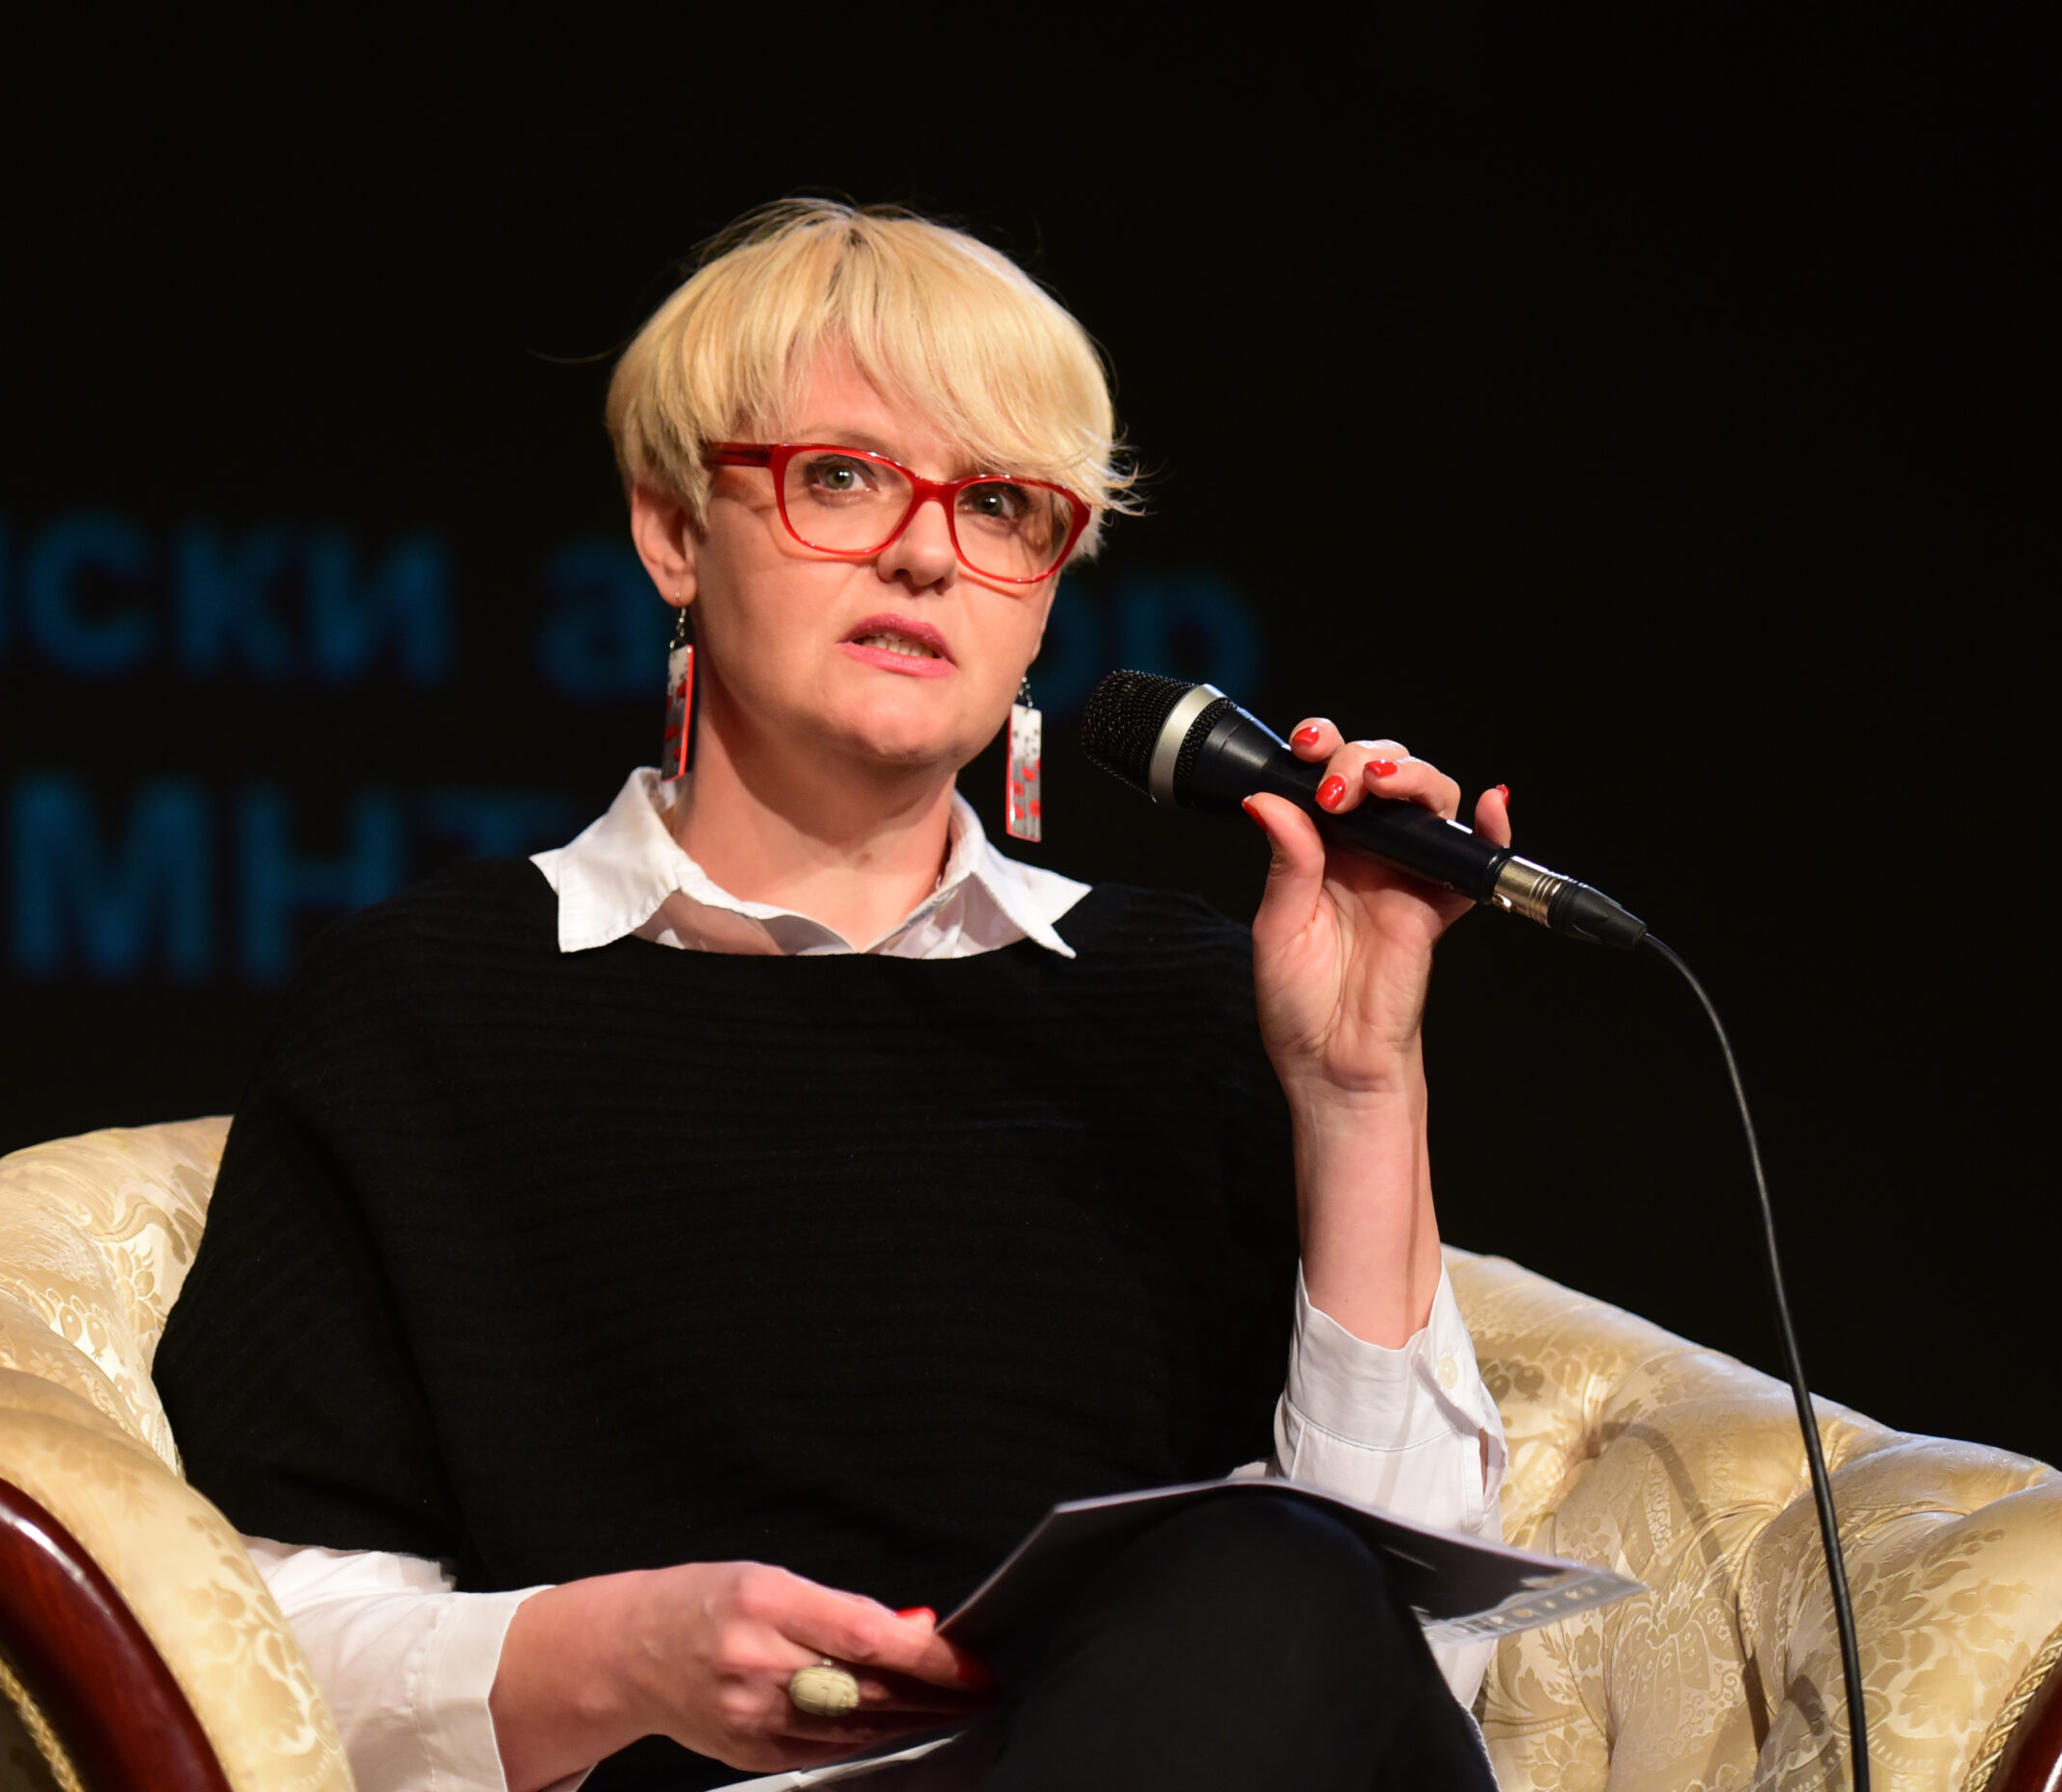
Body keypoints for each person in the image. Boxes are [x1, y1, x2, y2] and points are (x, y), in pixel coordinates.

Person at [155, 200, 1511, 1792]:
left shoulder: (1195, 1001)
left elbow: (1407, 1662)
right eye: (845, 477)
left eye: (1001, 504)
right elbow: (249, 1654)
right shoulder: (426, 1004)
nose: (927, 553)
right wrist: (620, 1657)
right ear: (675, 530)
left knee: (1272, 1580)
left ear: (1047, 590)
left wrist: (1356, 1093)